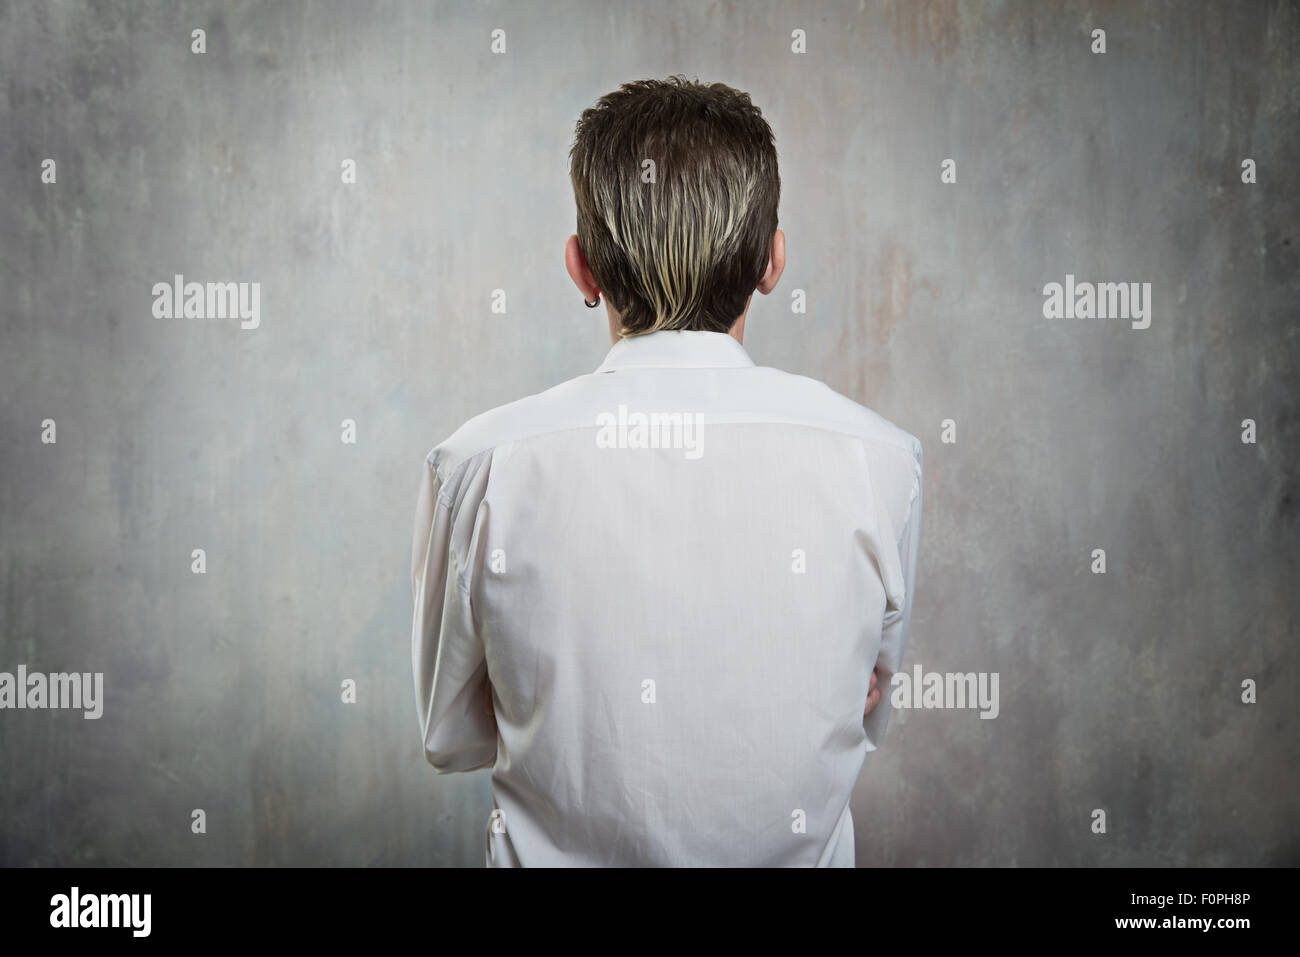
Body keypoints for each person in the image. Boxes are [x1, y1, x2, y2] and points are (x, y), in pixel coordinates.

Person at [411, 75, 923, 866]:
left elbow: (453, 732)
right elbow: (861, 706)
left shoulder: (479, 465)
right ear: (772, 261)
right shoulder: (881, 461)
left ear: (582, 269)